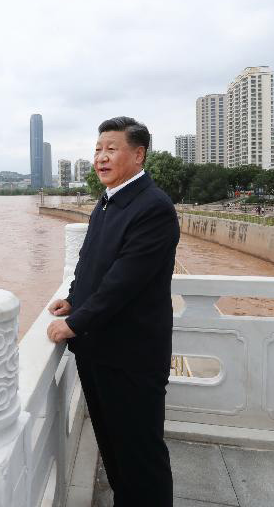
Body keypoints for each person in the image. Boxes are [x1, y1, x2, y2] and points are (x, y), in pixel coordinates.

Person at [47, 116, 179, 506]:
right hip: (99, 351)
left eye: (111, 149)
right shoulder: (108, 201)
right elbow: (90, 261)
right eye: (97, 150)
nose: (101, 157)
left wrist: (74, 324)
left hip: (131, 355)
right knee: (113, 445)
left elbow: (124, 281)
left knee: (140, 452)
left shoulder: (152, 207)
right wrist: (73, 299)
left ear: (138, 155)